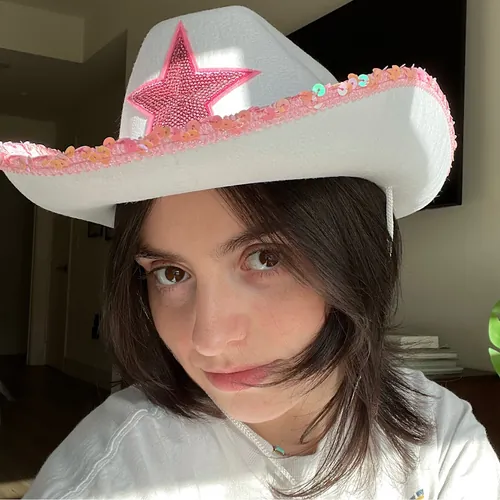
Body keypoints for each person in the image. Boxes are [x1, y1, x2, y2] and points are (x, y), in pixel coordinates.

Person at [1, 6, 499, 500]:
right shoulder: (110, 474)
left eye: (265, 258)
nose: (209, 338)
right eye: (170, 273)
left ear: (353, 254)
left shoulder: (443, 439)